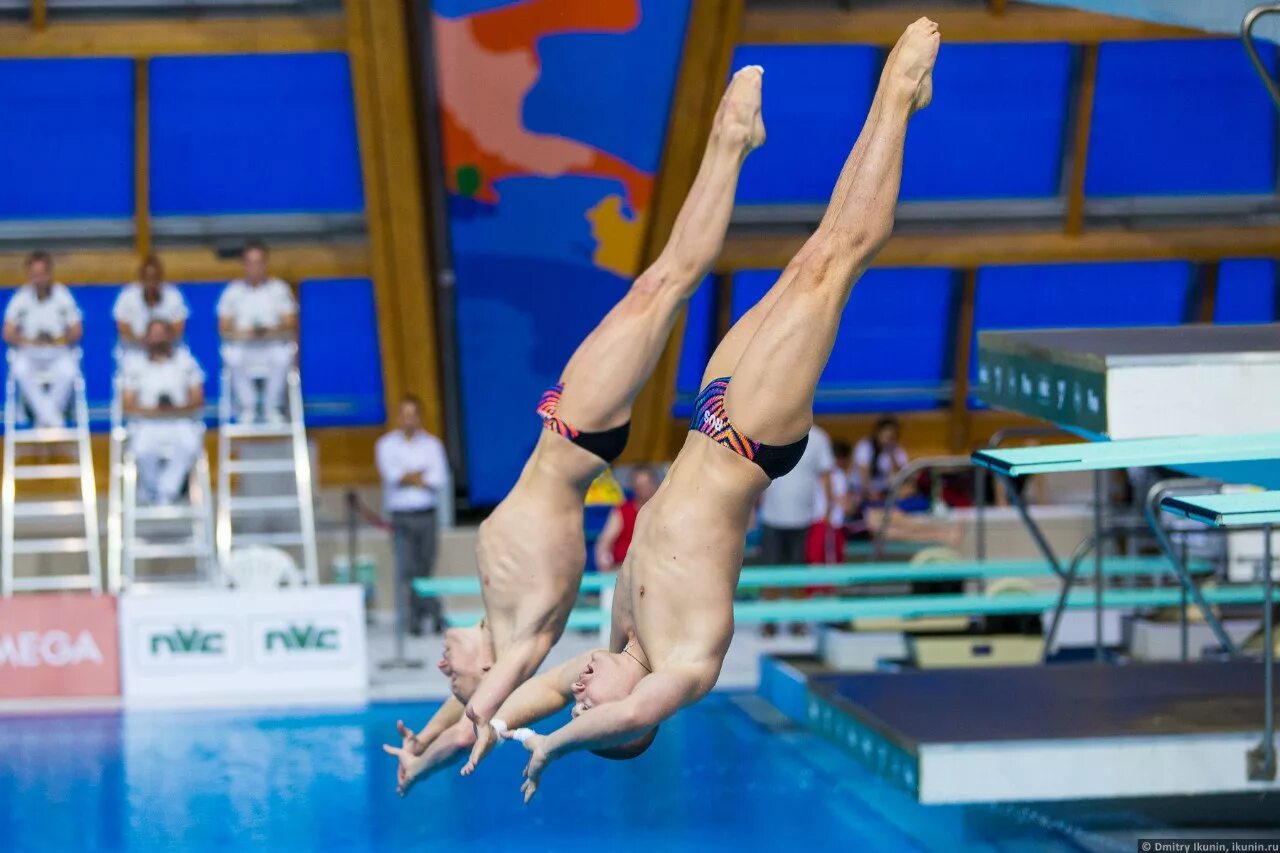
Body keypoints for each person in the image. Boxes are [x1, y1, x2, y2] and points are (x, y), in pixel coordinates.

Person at [465, 21, 939, 799]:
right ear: (636, 720)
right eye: (596, 705)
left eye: (580, 697)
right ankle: (897, 96)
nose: (582, 691)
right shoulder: (686, 665)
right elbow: (610, 714)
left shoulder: (623, 634)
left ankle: (760, 132)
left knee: (805, 262)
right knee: (831, 261)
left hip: (712, 414)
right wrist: (557, 747)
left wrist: (478, 725)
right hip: (751, 440)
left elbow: (544, 690)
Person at [382, 66, 766, 796]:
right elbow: (490, 704)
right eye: (458, 680)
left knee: (660, 284)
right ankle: (733, 142)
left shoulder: (503, 618)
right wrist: (484, 726)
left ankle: (734, 145)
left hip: (567, 429)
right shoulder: (523, 636)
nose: (444, 667)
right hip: (578, 434)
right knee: (665, 281)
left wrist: (431, 743)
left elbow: (473, 709)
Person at [376, 395, 450, 635]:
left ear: (419, 417)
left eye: (413, 415)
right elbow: (392, 476)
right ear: (398, 417)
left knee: (424, 568)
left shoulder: (432, 445)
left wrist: (409, 476)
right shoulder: (386, 445)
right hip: (401, 516)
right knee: (407, 569)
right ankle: (428, 615)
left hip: (427, 515)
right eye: (404, 414)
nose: (408, 420)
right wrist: (419, 475)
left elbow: (437, 479)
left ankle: (425, 616)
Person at [756, 424, 834, 635]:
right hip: (772, 517)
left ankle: (798, 621)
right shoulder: (771, 430)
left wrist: (828, 511)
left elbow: (826, 477)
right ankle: (769, 621)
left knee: (799, 573)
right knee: (770, 573)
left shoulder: (819, 438)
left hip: (803, 519)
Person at [122, 320, 206, 506]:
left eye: (162, 334)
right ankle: (151, 488)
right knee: (141, 449)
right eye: (154, 334)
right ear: (146, 338)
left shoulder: (186, 361)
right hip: (147, 423)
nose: (158, 339)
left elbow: (198, 399)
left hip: (179, 421)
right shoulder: (133, 364)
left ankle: (168, 491)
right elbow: (127, 404)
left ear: (171, 336)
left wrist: (173, 409)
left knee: (191, 444)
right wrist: (154, 411)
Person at [216, 241, 297, 424]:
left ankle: (272, 407)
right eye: (250, 262)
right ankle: (247, 408)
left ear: (266, 263)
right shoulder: (232, 292)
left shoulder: (279, 289)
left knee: (284, 355)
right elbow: (223, 328)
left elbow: (290, 323)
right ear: (244, 265)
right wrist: (249, 333)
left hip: (272, 346)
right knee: (231, 355)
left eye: (258, 262)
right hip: (244, 347)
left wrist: (267, 331)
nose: (254, 267)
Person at [3, 252, 82, 428]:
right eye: (35, 275)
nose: (39, 279)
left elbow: (77, 330)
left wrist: (58, 339)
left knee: (69, 369)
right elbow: (7, 332)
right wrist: (30, 341)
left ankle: (44, 420)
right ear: (29, 275)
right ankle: (52, 420)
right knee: (20, 368)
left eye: (42, 274)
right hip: (30, 351)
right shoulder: (21, 298)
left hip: (56, 350)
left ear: (49, 273)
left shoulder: (62, 295)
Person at [113, 255, 189, 367]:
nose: (151, 282)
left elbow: (179, 328)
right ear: (141, 278)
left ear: (160, 278)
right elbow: (122, 328)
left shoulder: (173, 295)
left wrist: (159, 341)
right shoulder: (127, 296)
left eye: (155, 277)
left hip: (167, 352)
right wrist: (145, 341)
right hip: (135, 352)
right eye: (148, 277)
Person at [594, 467, 659, 573]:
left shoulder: (662, 511)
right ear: (633, 487)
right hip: (623, 571)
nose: (644, 489)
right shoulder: (622, 511)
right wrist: (606, 567)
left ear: (655, 484)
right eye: (640, 485)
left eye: (647, 484)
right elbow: (604, 543)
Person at [808, 438, 851, 564]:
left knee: (819, 561)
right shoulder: (838, 475)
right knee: (823, 561)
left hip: (824, 522)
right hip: (826, 523)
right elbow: (845, 505)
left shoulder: (820, 474)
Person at [853, 415, 912, 507]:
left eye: (892, 436)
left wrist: (892, 457)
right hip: (865, 492)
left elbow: (904, 476)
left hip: (885, 492)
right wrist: (870, 492)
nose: (889, 439)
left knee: (907, 490)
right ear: (878, 433)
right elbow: (864, 476)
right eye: (887, 435)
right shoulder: (865, 447)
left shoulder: (897, 450)